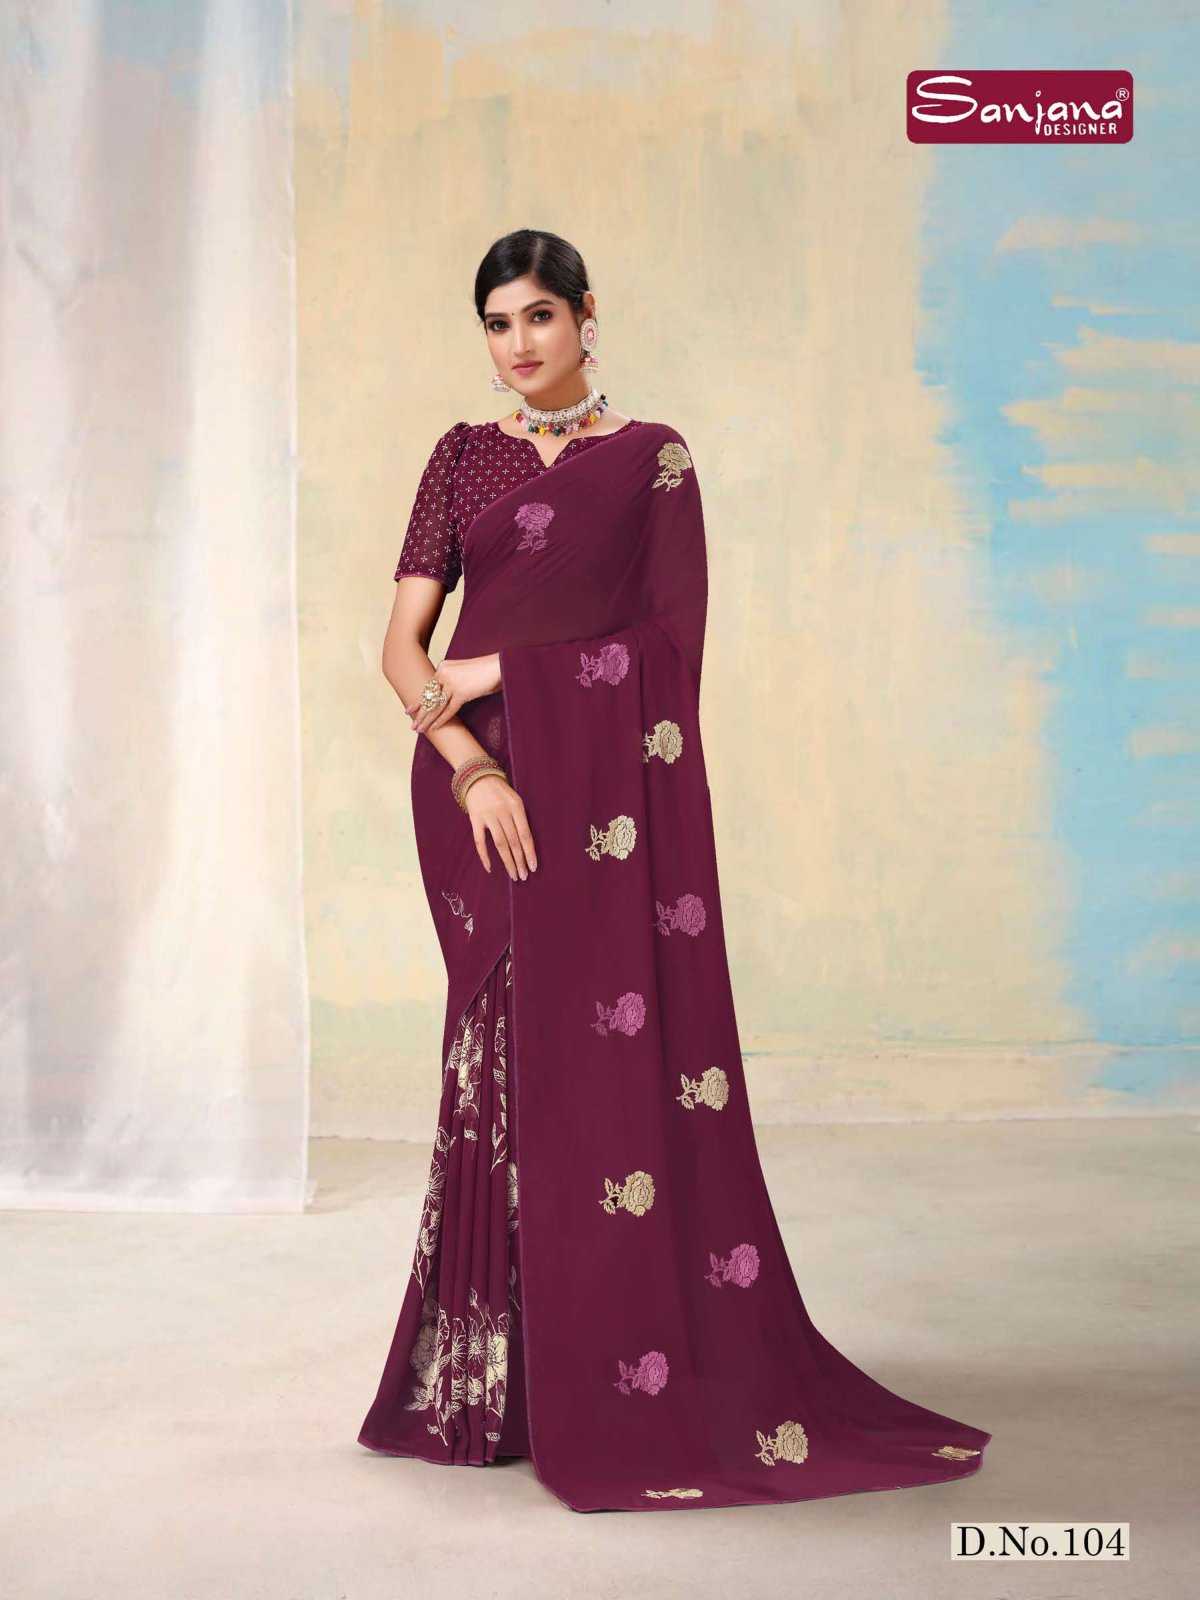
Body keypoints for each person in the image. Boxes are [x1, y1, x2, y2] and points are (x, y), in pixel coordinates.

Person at [356, 228, 991, 1513]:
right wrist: (473, 767)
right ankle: (485, 1387)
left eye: (540, 315)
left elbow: (666, 646)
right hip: (480, 795)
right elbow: (400, 649)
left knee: (597, 1071)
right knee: (495, 1068)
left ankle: (610, 1372)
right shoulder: (461, 457)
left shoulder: (652, 460)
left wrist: (507, 669)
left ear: (587, 314)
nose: (519, 343)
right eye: (497, 323)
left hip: (601, 798)